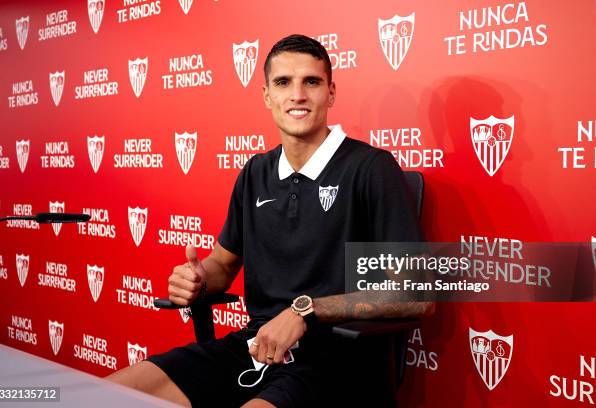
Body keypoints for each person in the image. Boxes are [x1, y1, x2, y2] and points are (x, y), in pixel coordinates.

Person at [107, 34, 432, 407]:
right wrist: (197, 280)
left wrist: (305, 311)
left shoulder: (372, 168)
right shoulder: (255, 172)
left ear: (331, 92)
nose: (297, 94)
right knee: (106, 396)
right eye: (283, 82)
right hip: (256, 347)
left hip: (336, 362)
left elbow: (416, 292)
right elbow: (222, 264)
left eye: (311, 81)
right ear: (266, 95)